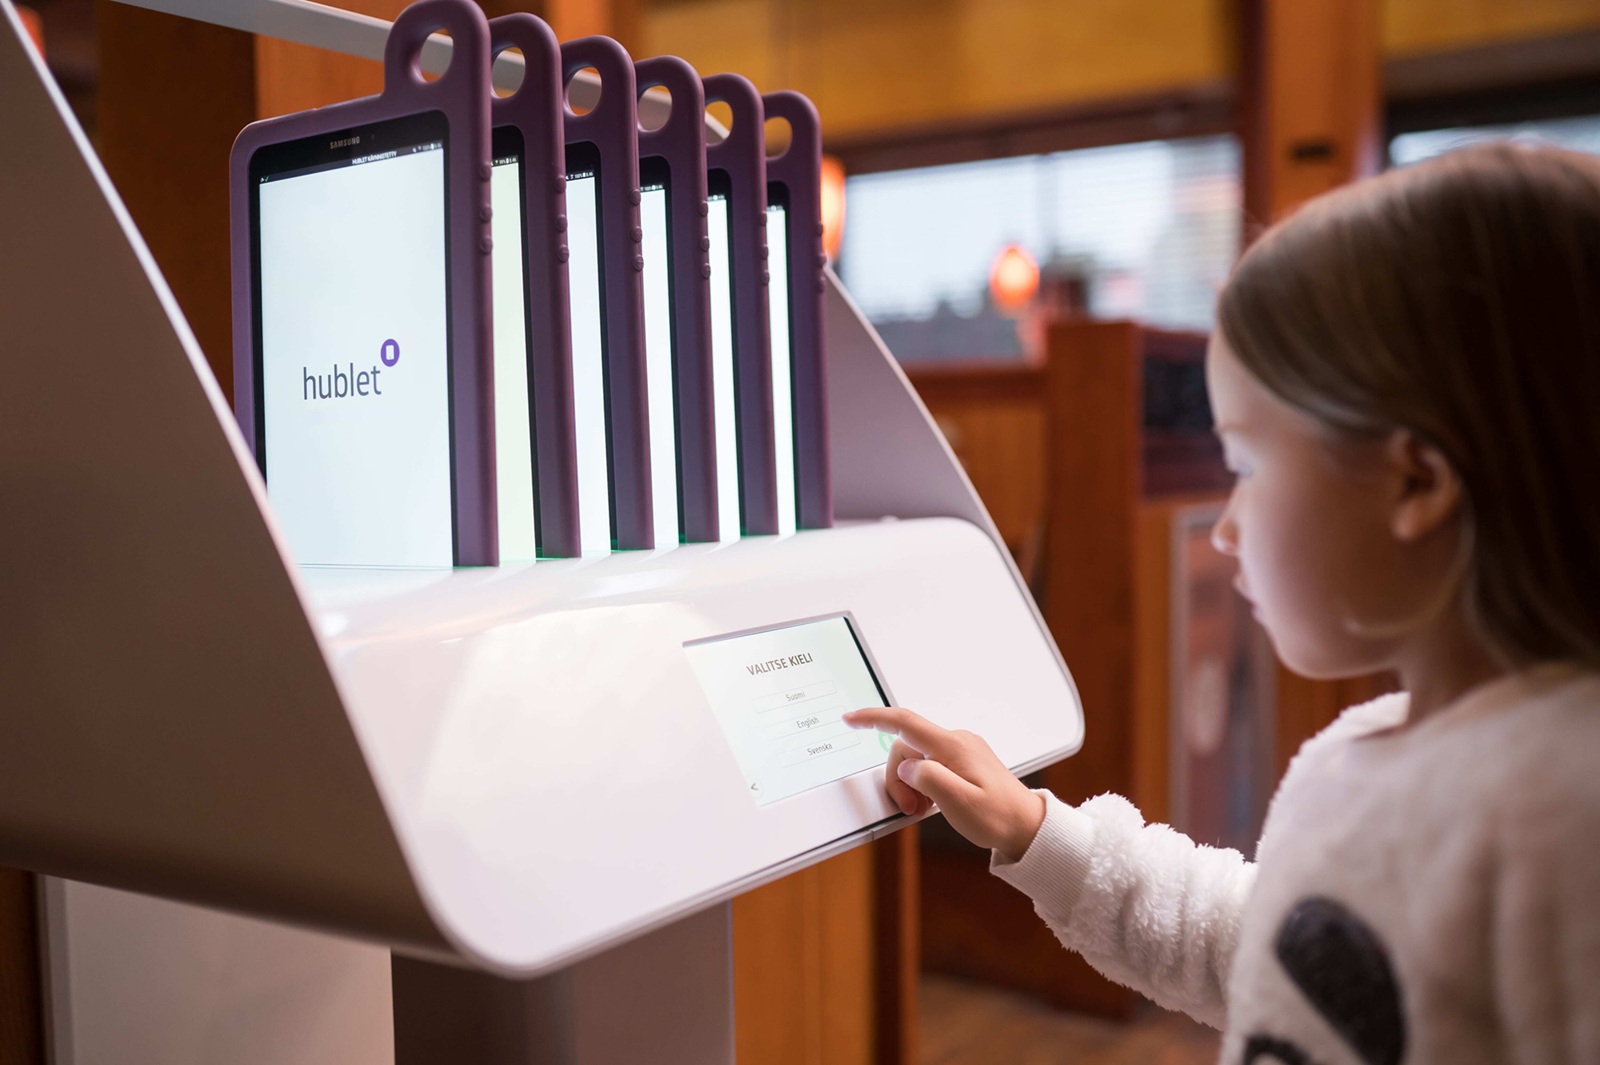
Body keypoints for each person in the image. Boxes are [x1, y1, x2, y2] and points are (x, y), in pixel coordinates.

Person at [845, 142, 1600, 1065]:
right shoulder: (1360, 756)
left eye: (1246, 464)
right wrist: (1037, 830)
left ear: (1415, 484)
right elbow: (1274, 957)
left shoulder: (1563, 831)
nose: (1229, 527)